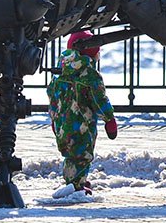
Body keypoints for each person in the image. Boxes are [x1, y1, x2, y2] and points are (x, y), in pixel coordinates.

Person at [47, 31, 119, 197]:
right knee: (82, 154)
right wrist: (109, 120)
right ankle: (76, 186)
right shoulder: (90, 74)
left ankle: (74, 181)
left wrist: (54, 118)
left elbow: (52, 96)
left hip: (61, 123)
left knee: (69, 154)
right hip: (81, 124)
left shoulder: (60, 70)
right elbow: (99, 100)